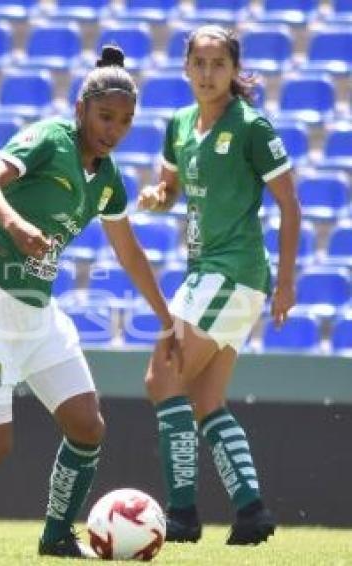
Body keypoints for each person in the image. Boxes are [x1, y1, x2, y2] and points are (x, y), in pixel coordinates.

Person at [0, 45, 182, 558]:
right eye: (106, 116)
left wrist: (165, 317)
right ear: (81, 108)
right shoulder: (48, 138)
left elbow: (128, 250)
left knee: (88, 427)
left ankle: (57, 536)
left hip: (39, 311)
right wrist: (16, 225)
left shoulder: (107, 179)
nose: (114, 129)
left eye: (125, 122)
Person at [137, 25, 300, 545]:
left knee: (161, 377)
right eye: (199, 63)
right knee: (206, 399)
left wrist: (287, 284)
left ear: (234, 71)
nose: (207, 74)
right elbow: (169, 190)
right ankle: (251, 511)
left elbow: (291, 207)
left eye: (218, 64)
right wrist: (156, 196)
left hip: (233, 272)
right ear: (186, 68)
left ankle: (181, 516)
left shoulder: (252, 126)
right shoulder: (179, 124)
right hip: (205, 273)